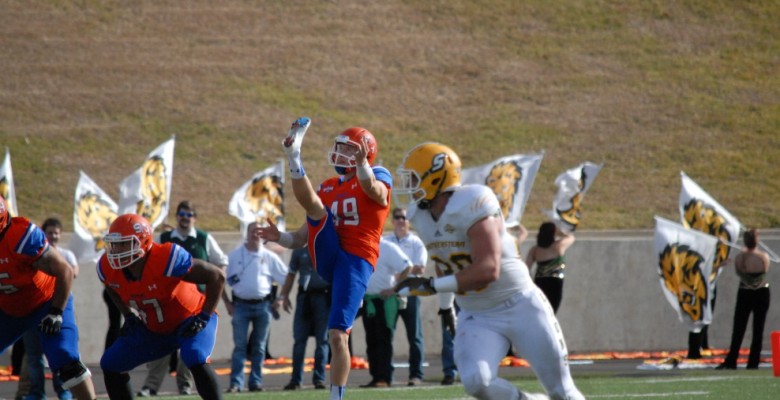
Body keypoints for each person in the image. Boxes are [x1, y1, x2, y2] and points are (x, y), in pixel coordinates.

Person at [393, 143, 584, 400]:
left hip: (519, 304)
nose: (409, 185)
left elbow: (488, 269)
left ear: (436, 177)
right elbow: (444, 261)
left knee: (563, 391)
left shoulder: (473, 201)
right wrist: (446, 306)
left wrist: (430, 286)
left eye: (414, 178)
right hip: (477, 314)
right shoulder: (420, 215)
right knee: (477, 382)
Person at [258, 117, 392, 400]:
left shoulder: (378, 174)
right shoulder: (330, 186)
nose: (341, 153)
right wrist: (278, 236)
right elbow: (300, 238)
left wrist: (362, 165)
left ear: (365, 153)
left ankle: (336, 397)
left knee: (337, 335)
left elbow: (375, 191)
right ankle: (294, 156)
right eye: (340, 147)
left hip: (356, 260)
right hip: (329, 255)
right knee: (318, 210)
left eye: (350, 149)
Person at [98, 213, 225, 400]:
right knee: (111, 363)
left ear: (143, 241)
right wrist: (128, 315)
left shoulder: (166, 258)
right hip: (154, 329)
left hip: (191, 319)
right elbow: (111, 286)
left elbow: (217, 276)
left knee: (195, 356)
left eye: (124, 243)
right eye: (115, 244)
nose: (117, 250)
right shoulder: (107, 267)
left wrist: (204, 316)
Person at [0, 196, 97, 400]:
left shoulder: (20, 236)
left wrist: (56, 312)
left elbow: (65, 270)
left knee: (65, 358)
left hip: (47, 302)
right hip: (10, 308)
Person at [138, 201, 229, 397]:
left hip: (196, 302)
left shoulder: (203, 238)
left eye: (189, 215)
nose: (185, 218)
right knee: (160, 343)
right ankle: (151, 385)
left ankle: (185, 384)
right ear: (176, 216)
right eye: (181, 214)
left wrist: (216, 291)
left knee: (191, 345)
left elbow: (221, 262)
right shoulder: (165, 238)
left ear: (194, 218)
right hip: (167, 300)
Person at [223, 222, 288, 392]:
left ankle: (255, 382)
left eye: (259, 232)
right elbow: (220, 279)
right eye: (253, 231)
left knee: (259, 347)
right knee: (240, 347)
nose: (256, 235)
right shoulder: (234, 256)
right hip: (240, 306)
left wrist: (281, 298)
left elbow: (287, 277)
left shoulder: (269, 257)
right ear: (247, 233)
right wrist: (227, 303)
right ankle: (236, 383)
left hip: (263, 306)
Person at [22, 218, 79, 400]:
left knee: (59, 353)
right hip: (34, 307)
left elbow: (71, 272)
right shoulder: (32, 253)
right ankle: (36, 392)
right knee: (34, 356)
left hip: (58, 307)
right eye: (50, 232)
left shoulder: (66, 254)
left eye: (56, 233)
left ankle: (64, 391)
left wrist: (56, 265)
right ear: (43, 233)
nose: (53, 236)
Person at [360, 238, 413, 388]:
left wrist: (394, 289)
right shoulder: (363, 246)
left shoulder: (387, 247)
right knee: (371, 339)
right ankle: (375, 376)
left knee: (383, 338)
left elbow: (407, 266)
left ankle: (384, 377)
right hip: (368, 300)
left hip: (383, 300)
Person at [384, 207, 427, 386]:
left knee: (414, 336)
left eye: (404, 217)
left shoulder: (416, 242)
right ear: (392, 221)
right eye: (398, 217)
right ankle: (386, 376)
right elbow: (381, 266)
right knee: (386, 336)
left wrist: (398, 275)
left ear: (409, 221)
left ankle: (416, 375)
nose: (401, 220)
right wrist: (405, 271)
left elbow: (420, 268)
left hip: (410, 293)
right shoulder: (386, 241)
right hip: (391, 295)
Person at [717, 229, 771, 370]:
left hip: (749, 292)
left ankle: (734, 360)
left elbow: (739, 271)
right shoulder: (763, 256)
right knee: (755, 328)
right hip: (758, 293)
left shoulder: (742, 257)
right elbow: (764, 269)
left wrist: (746, 255)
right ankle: (751, 362)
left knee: (740, 328)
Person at [277, 247, 331, 391]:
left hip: (324, 296)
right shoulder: (300, 250)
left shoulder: (329, 246)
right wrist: (284, 296)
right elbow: (291, 273)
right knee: (299, 340)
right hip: (304, 297)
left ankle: (319, 379)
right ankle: (296, 380)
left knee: (322, 340)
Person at [524, 222, 575, 314]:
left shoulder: (535, 250)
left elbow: (526, 269)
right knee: (551, 312)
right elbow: (571, 237)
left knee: (540, 310)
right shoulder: (559, 245)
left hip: (540, 282)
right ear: (553, 233)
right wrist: (561, 232)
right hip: (555, 283)